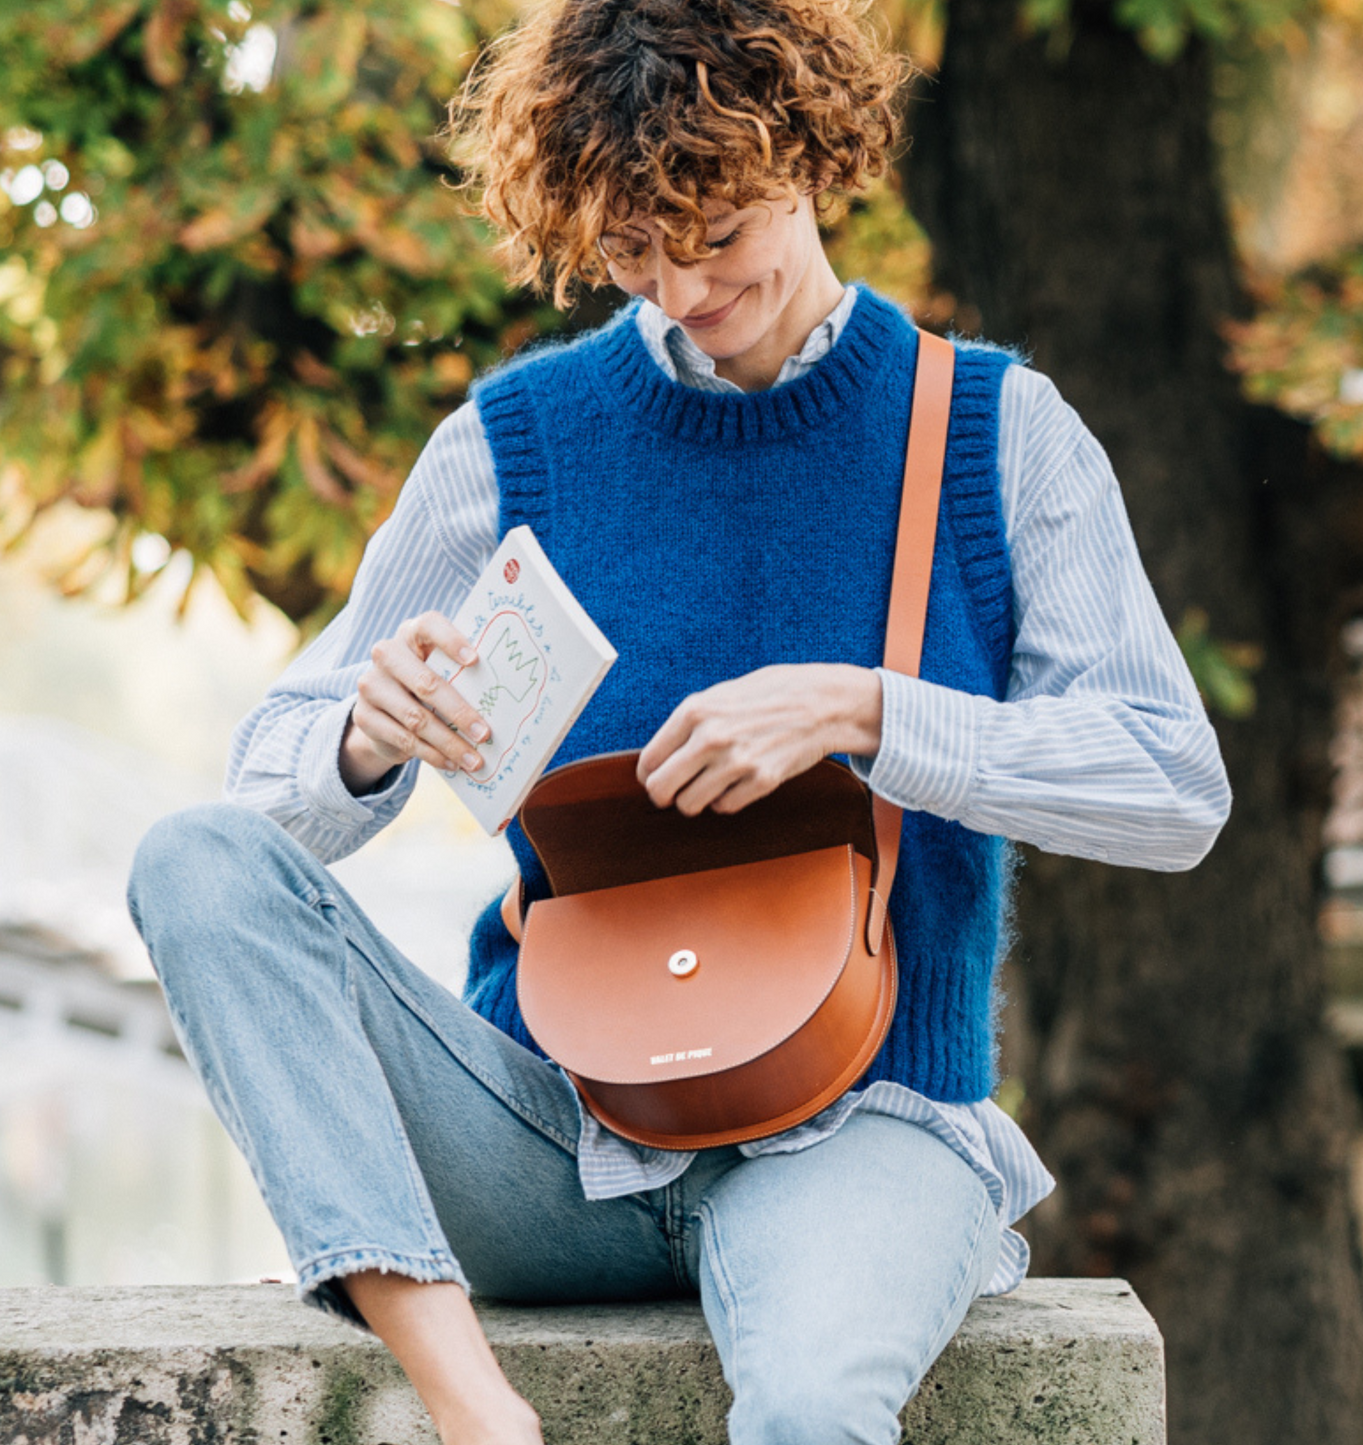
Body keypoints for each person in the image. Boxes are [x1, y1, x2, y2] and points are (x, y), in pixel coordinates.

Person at [126, 0, 1231, 1440]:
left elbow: (1174, 786)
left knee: (814, 1412)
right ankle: (473, 1406)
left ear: (811, 156)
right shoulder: (513, 442)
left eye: (716, 233)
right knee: (187, 857)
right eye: (634, 253)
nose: (684, 290)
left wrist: (871, 711)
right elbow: (259, 811)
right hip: (542, 1134)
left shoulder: (994, 434)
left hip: (866, 1130)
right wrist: (364, 737)